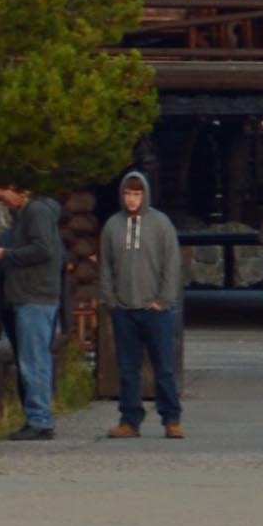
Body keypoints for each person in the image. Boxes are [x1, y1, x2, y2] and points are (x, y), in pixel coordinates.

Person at [96, 167, 184, 438]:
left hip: (155, 310)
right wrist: (111, 300)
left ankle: (171, 419)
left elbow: (172, 263)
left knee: (164, 368)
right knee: (128, 368)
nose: (132, 199)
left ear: (144, 195)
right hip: (124, 308)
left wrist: (164, 299)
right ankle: (130, 419)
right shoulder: (112, 225)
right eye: (127, 193)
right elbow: (106, 266)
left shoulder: (160, 224)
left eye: (136, 193)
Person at [0, 176, 64, 438]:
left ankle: (39, 418)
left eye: (3, 192)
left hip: (35, 297)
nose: (1, 199)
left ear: (19, 189)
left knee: (33, 360)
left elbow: (43, 249)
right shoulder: (25, 215)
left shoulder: (36, 211)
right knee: (35, 359)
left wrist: (6, 254)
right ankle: (39, 416)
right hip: (32, 296)